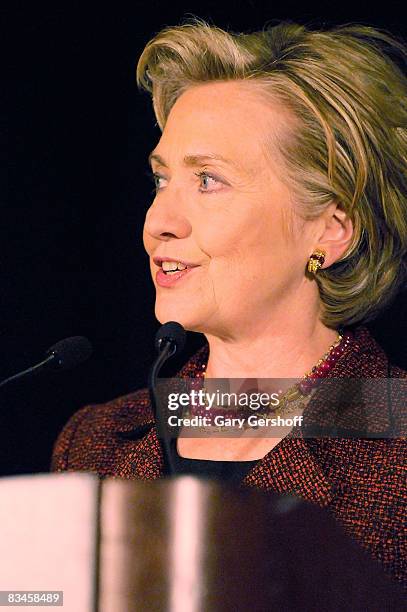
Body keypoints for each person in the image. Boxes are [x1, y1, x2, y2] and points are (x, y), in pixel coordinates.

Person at [51, 19, 407, 589]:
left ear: (331, 231)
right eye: (161, 181)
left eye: (209, 180)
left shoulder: (395, 446)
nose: (157, 223)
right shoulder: (93, 441)